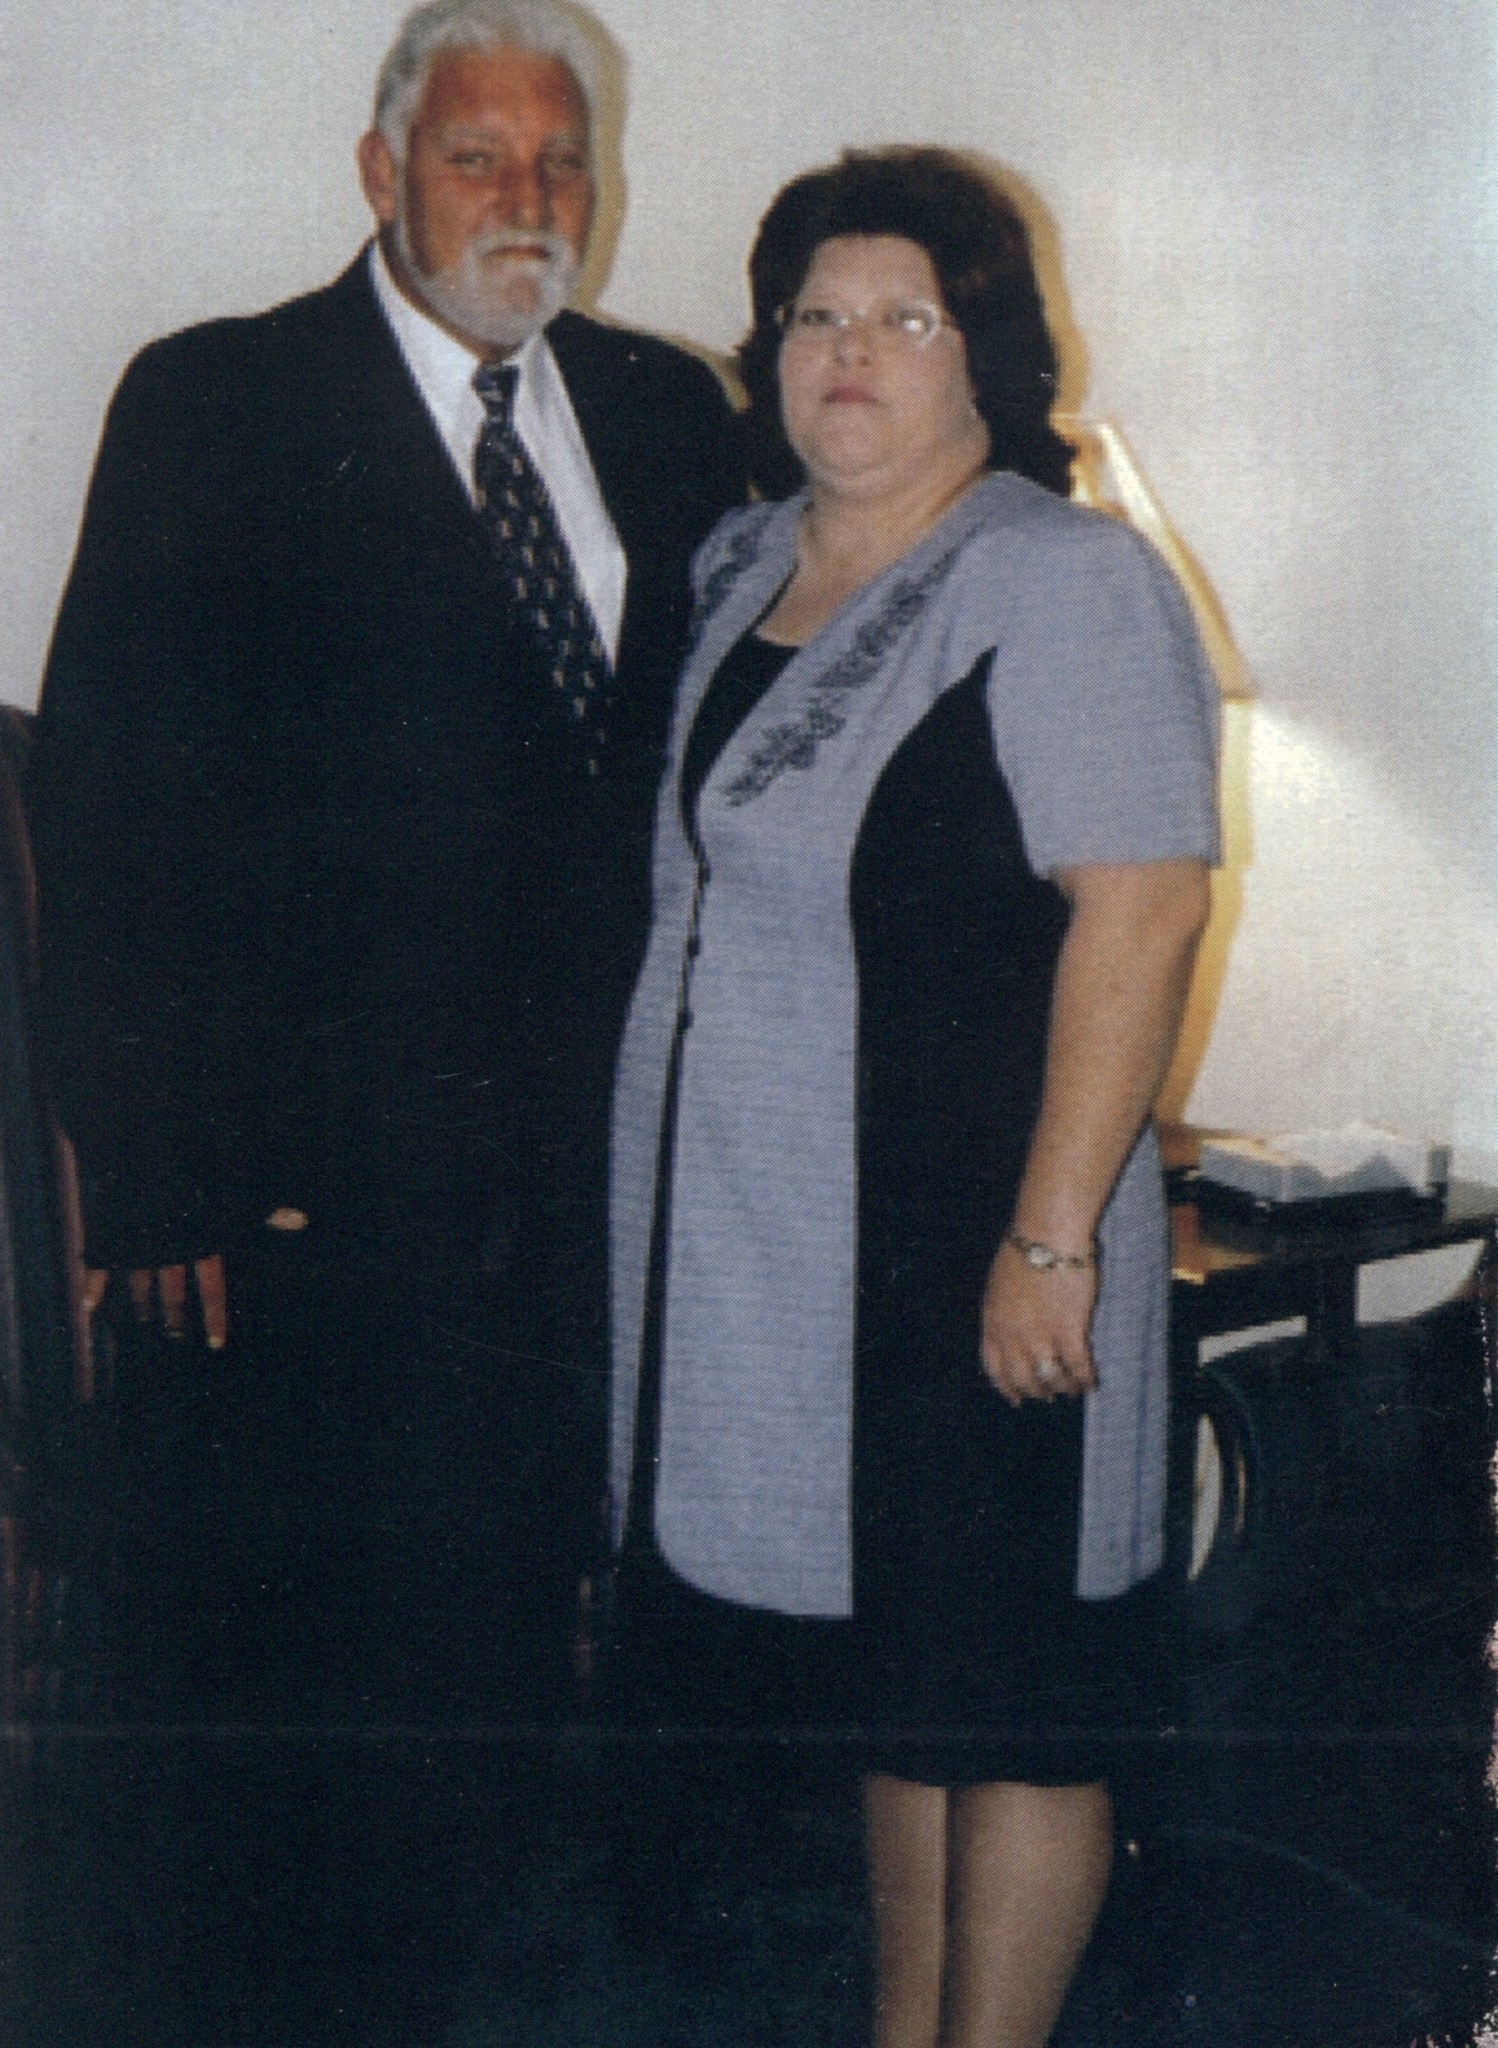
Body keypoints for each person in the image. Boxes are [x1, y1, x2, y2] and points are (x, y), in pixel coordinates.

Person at [28, 0, 742, 1722]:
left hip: (587, 1185)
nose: (529, 198)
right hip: (306, 1199)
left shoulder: (665, 409)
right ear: (380, 170)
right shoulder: (220, 403)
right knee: (298, 1692)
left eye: (561, 161)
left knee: (528, 1672)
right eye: (476, 156)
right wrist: (150, 1168)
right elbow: (108, 802)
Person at [607, 150, 1217, 2046]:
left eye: (903, 317)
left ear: (984, 356)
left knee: (1015, 1705)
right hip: (804, 1249)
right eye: (814, 315)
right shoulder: (739, 565)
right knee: (904, 1685)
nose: (848, 353)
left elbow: (1141, 909)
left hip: (986, 1225)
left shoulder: (1065, 578)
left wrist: (1051, 1240)